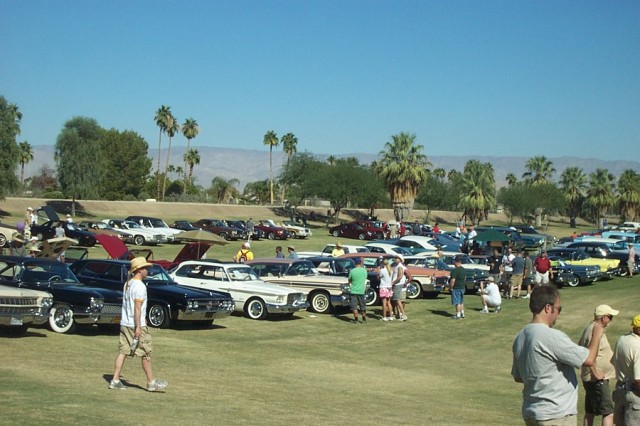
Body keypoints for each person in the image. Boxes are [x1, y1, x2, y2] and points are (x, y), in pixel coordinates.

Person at [511, 285, 604, 425]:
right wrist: (597, 335)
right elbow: (589, 359)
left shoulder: (520, 337)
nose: (558, 314)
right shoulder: (551, 336)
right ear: (548, 308)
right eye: (558, 309)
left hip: (532, 412)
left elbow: (518, 377)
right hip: (556, 414)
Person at [109, 257, 168, 392]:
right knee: (145, 352)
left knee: (123, 351)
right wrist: (138, 326)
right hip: (134, 324)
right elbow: (137, 307)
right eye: (146, 268)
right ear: (139, 270)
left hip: (125, 322)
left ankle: (115, 380)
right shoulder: (140, 286)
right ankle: (151, 382)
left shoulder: (127, 284)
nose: (147, 270)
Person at [578, 304, 618, 426]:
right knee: (609, 412)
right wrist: (596, 374)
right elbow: (589, 354)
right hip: (596, 379)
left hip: (592, 379)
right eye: (610, 317)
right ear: (603, 318)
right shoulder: (594, 330)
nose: (611, 320)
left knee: (590, 411)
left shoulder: (592, 328)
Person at [612, 314, 640, 426]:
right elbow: (638, 380)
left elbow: (612, 361)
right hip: (634, 395)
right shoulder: (638, 346)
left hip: (620, 390)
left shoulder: (622, 339)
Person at [347, 257, 368, 323]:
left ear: (355, 263)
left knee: (354, 306)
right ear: (360, 263)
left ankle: (356, 319)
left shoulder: (352, 271)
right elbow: (365, 278)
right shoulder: (364, 270)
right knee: (362, 305)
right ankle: (364, 318)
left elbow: (349, 280)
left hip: (353, 290)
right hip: (361, 290)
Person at [391, 254, 410, 321]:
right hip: (398, 284)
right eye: (395, 258)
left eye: (397, 258)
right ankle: (400, 314)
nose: (395, 259)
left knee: (398, 300)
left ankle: (403, 314)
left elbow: (400, 276)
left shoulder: (400, 267)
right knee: (397, 300)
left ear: (400, 259)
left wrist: (393, 282)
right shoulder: (397, 266)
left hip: (398, 285)